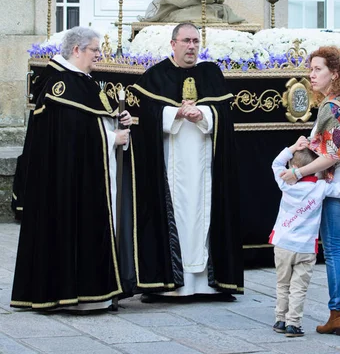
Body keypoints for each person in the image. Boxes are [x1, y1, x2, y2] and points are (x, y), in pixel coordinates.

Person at [10, 27, 133, 312]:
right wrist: (111, 138)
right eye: (94, 49)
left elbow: (93, 120)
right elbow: (69, 135)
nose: (99, 55)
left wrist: (119, 120)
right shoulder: (60, 84)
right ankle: (74, 295)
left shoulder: (84, 82)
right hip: (67, 182)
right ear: (76, 50)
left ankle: (96, 292)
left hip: (87, 176)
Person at [128, 22, 243, 300]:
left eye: (195, 41)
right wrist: (175, 115)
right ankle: (171, 284)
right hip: (171, 163)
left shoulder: (211, 73)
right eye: (186, 41)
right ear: (173, 44)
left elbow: (224, 116)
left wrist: (203, 115)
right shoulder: (156, 75)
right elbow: (145, 118)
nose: (191, 46)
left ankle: (205, 284)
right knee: (176, 216)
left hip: (205, 165)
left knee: (204, 215)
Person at [280, 46, 340, 336]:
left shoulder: (331, 107)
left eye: (317, 69)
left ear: (334, 73)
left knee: (334, 251)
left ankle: (337, 314)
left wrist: (298, 172)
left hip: (338, 190)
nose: (312, 74)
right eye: (311, 69)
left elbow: (333, 156)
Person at [271, 139, 340, 337]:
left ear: (295, 167)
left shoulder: (285, 182)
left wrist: (293, 148)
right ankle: (295, 324)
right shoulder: (320, 187)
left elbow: (276, 164)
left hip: (282, 244)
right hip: (305, 248)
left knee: (284, 283)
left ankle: (282, 319)